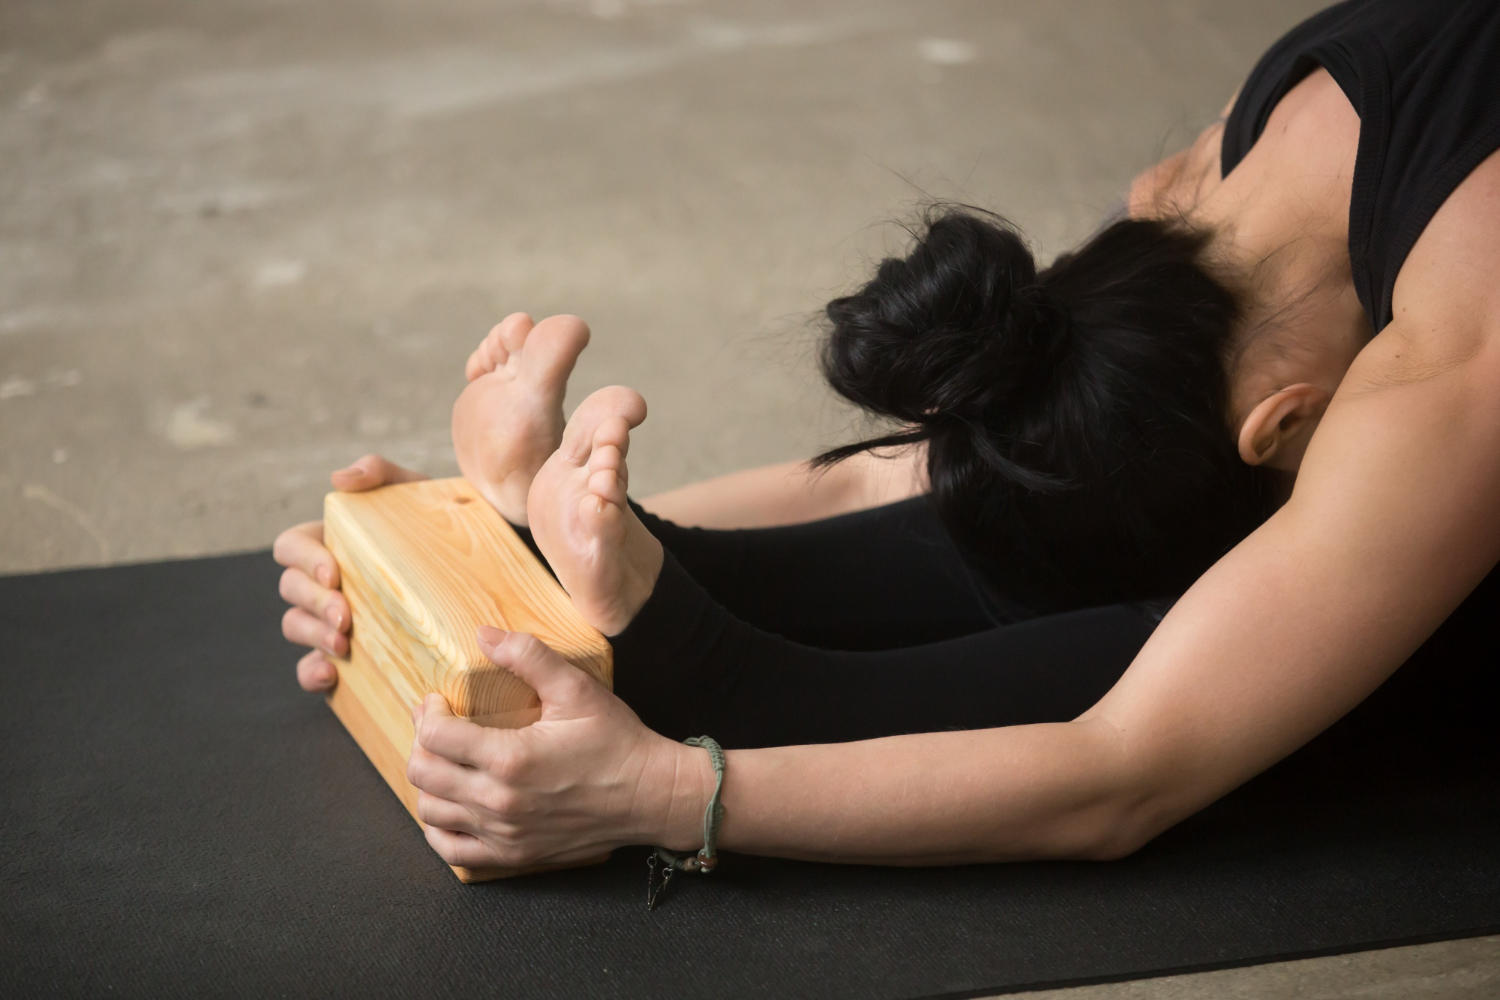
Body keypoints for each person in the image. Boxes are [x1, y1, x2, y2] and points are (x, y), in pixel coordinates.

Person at [275, 0, 1500, 872]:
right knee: (1041, 498)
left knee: (1246, 640)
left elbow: (1127, 769)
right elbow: (898, 481)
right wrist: (494, 545)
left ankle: (705, 661)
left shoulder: (1357, 241)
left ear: (1288, 422)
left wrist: (664, 792)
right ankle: (674, 613)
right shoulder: (1241, 209)